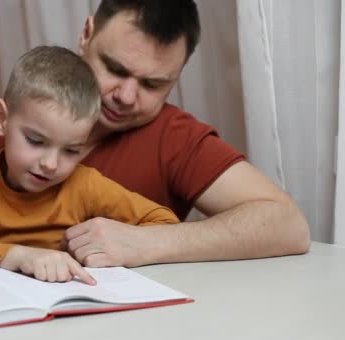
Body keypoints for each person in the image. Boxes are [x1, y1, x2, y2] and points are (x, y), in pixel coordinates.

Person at [60, 0, 311, 267]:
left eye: (152, 84)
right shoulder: (22, 109)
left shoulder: (172, 137)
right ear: (86, 35)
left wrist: (148, 242)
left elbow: (288, 225)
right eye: (115, 69)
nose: (126, 96)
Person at [0, 46, 179, 285]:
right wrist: (22, 256)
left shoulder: (85, 184)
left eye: (71, 150)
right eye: (35, 141)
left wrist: (113, 240)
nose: (51, 164)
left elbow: (164, 222)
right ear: (2, 119)